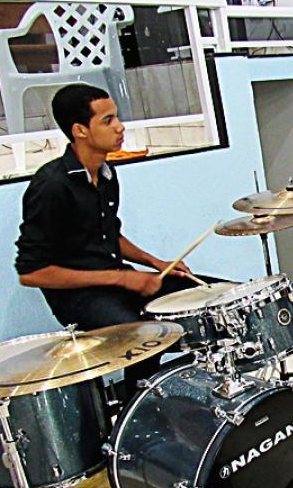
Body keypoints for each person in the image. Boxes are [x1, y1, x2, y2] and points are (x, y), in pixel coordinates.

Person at [15, 83, 202, 398]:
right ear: (80, 130)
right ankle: (140, 410)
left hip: (116, 282)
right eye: (108, 120)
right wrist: (123, 278)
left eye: (117, 117)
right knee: (147, 337)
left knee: (206, 298)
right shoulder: (51, 186)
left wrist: (155, 262)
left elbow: (109, 233)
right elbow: (32, 273)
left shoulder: (105, 174)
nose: (120, 127)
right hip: (78, 298)